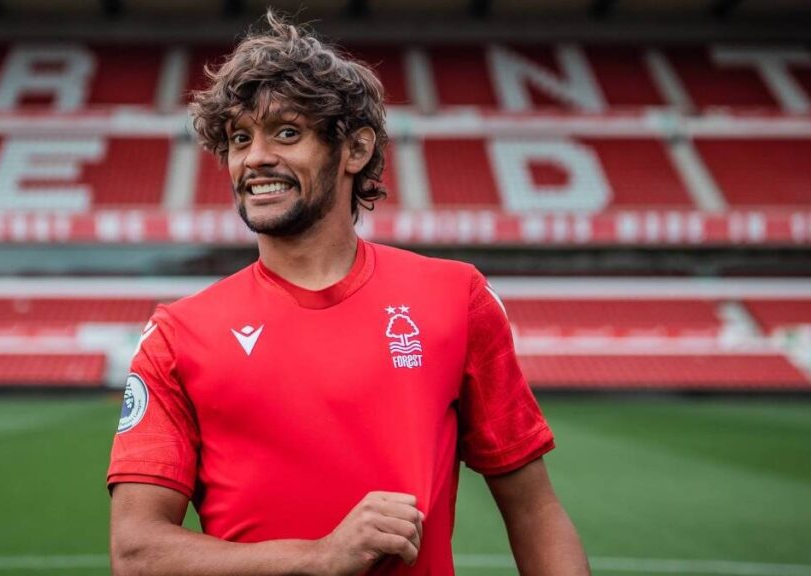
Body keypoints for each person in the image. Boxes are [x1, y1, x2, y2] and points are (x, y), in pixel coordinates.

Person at [108, 11, 589, 575]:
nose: (255, 157)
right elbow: (137, 553)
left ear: (355, 150)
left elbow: (534, 509)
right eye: (240, 139)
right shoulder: (176, 335)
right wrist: (318, 557)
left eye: (287, 132)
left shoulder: (456, 297)